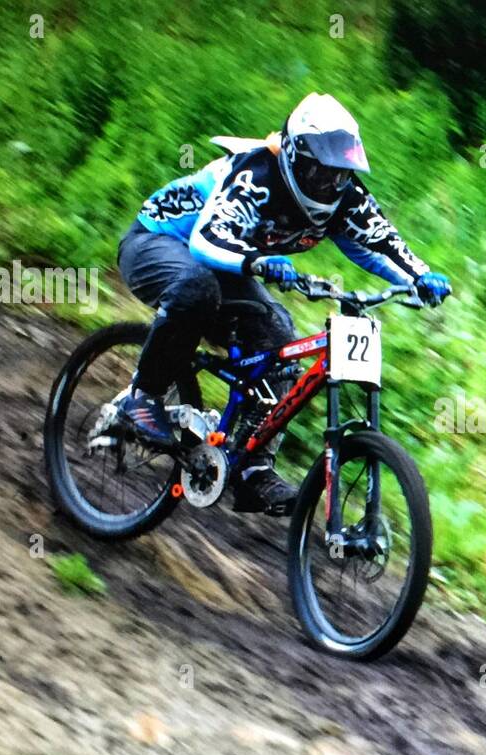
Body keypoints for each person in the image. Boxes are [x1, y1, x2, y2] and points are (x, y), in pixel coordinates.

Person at [115, 92, 451, 513]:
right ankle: (143, 397)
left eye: (340, 175)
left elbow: (380, 243)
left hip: (226, 267)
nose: (332, 184)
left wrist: (419, 276)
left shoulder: (345, 195)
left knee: (277, 334)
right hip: (157, 243)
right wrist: (258, 261)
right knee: (199, 288)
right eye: (322, 173)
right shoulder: (256, 173)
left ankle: (252, 469)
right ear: (295, 156)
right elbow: (206, 240)